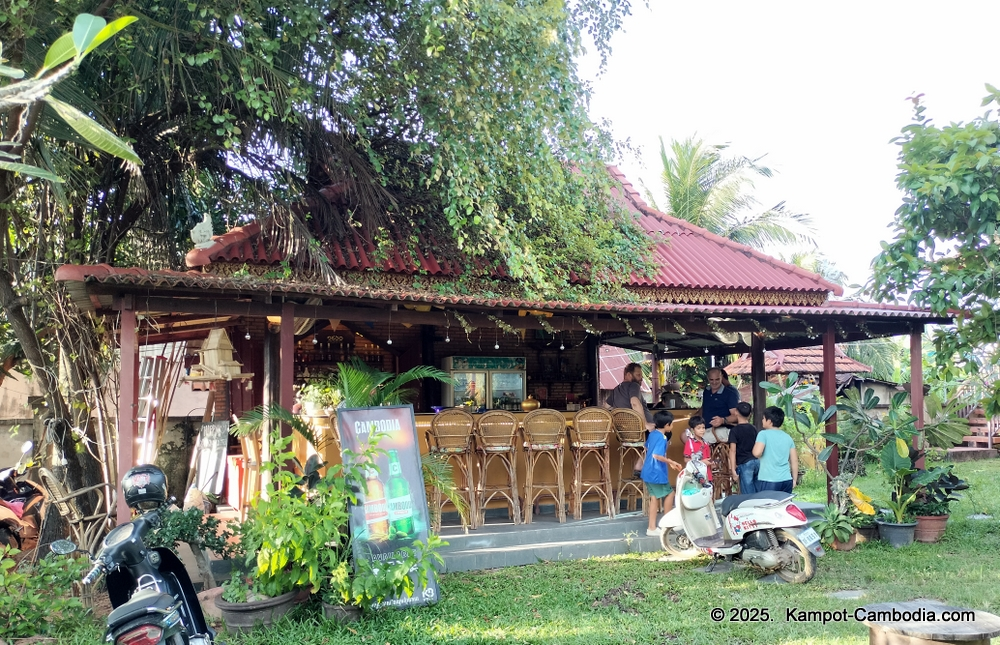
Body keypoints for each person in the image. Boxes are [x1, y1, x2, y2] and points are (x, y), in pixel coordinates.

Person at [641, 410, 683, 536]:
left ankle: (652, 528)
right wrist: (670, 461)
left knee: (654, 499)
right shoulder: (662, 438)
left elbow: (647, 447)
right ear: (667, 425)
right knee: (670, 494)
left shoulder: (653, 434)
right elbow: (656, 455)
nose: (672, 426)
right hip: (656, 473)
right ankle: (668, 524)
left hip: (648, 471)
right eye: (672, 424)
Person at [752, 406, 798, 494]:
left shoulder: (763, 434)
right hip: (786, 480)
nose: (762, 420)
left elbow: (757, 453)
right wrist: (794, 479)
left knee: (768, 507)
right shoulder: (787, 437)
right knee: (783, 507)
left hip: (769, 480)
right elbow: (794, 460)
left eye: (763, 418)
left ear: (769, 421)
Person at [605, 362, 654, 429]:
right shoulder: (634, 385)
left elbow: (605, 408)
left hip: (625, 431)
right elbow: (635, 403)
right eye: (638, 375)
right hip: (643, 430)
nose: (641, 378)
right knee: (666, 432)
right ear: (629, 375)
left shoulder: (616, 389)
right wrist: (645, 424)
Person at [728, 401, 760, 494]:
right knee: (758, 491)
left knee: (748, 495)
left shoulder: (734, 431)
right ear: (750, 414)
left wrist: (733, 469)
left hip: (745, 464)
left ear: (736, 412)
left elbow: (732, 451)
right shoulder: (753, 428)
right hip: (757, 462)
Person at [683, 416, 713, 482]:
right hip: (695, 476)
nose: (702, 430)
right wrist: (701, 462)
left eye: (703, 428)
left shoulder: (706, 443)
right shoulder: (690, 443)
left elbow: (708, 458)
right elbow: (686, 459)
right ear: (692, 430)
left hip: (707, 475)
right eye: (698, 428)